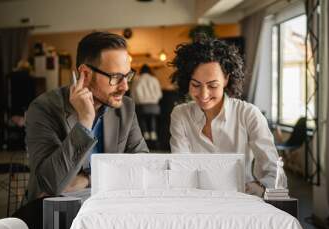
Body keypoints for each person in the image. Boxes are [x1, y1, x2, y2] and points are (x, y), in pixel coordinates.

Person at [25, 32, 149, 203]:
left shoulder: (125, 108)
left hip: (108, 207)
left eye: (127, 76)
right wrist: (85, 121)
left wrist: (88, 180)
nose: (125, 87)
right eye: (115, 77)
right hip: (55, 215)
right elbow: (51, 184)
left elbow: (143, 167)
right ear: (85, 73)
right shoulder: (44, 108)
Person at [169, 36, 287, 197]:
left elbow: (274, 172)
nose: (204, 94)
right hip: (197, 199)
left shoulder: (248, 114)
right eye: (196, 85)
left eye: (212, 85)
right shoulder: (180, 115)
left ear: (226, 79)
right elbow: (181, 168)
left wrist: (261, 187)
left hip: (242, 198)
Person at [131, 64, 162, 142]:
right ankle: (153, 134)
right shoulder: (154, 79)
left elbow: (133, 93)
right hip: (154, 105)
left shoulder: (137, 79)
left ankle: (145, 136)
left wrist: (137, 101)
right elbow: (159, 94)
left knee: (142, 119)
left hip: (141, 105)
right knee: (152, 118)